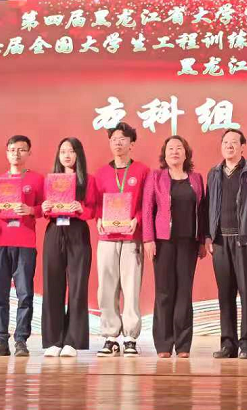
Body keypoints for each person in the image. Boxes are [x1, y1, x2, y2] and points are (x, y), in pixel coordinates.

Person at [205, 129, 247, 359]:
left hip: (246, 240)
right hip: (220, 241)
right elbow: (207, 207)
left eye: (234, 142)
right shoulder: (214, 173)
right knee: (225, 295)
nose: (229, 146)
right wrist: (207, 236)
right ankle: (228, 344)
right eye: (225, 142)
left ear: (243, 146)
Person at [142, 135, 208, 358]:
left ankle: (183, 345)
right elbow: (147, 209)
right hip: (163, 242)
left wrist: (202, 240)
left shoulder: (196, 178)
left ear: (186, 153)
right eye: (170, 148)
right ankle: (163, 344)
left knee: (184, 292)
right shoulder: (156, 177)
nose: (175, 152)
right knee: (164, 292)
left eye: (179, 148)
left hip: (188, 242)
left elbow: (202, 211)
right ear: (164, 154)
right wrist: (148, 239)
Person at [0, 135, 44, 357]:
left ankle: (21, 340)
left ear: (29, 153)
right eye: (12, 149)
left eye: (21, 149)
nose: (16, 154)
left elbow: (45, 207)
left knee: (24, 293)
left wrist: (31, 210)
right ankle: (1, 340)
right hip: (0, 241)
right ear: (6, 153)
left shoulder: (36, 179)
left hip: (25, 241)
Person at [94, 122, 150, 358]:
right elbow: (96, 203)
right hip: (106, 238)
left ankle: (130, 337)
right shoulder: (101, 173)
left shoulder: (142, 171)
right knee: (106, 289)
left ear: (132, 144)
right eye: (114, 139)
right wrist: (98, 218)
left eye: (123, 139)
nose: (118, 143)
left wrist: (138, 219)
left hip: (131, 238)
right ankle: (110, 337)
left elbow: (147, 203)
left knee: (131, 287)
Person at [41, 137, 96, 357]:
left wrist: (81, 209)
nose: (66, 155)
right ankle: (54, 340)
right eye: (63, 151)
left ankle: (72, 340)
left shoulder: (88, 180)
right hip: (55, 231)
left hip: (77, 232)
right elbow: (44, 210)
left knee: (77, 285)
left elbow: (93, 210)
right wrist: (45, 208)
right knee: (52, 284)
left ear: (78, 154)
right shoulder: (51, 180)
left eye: (71, 151)